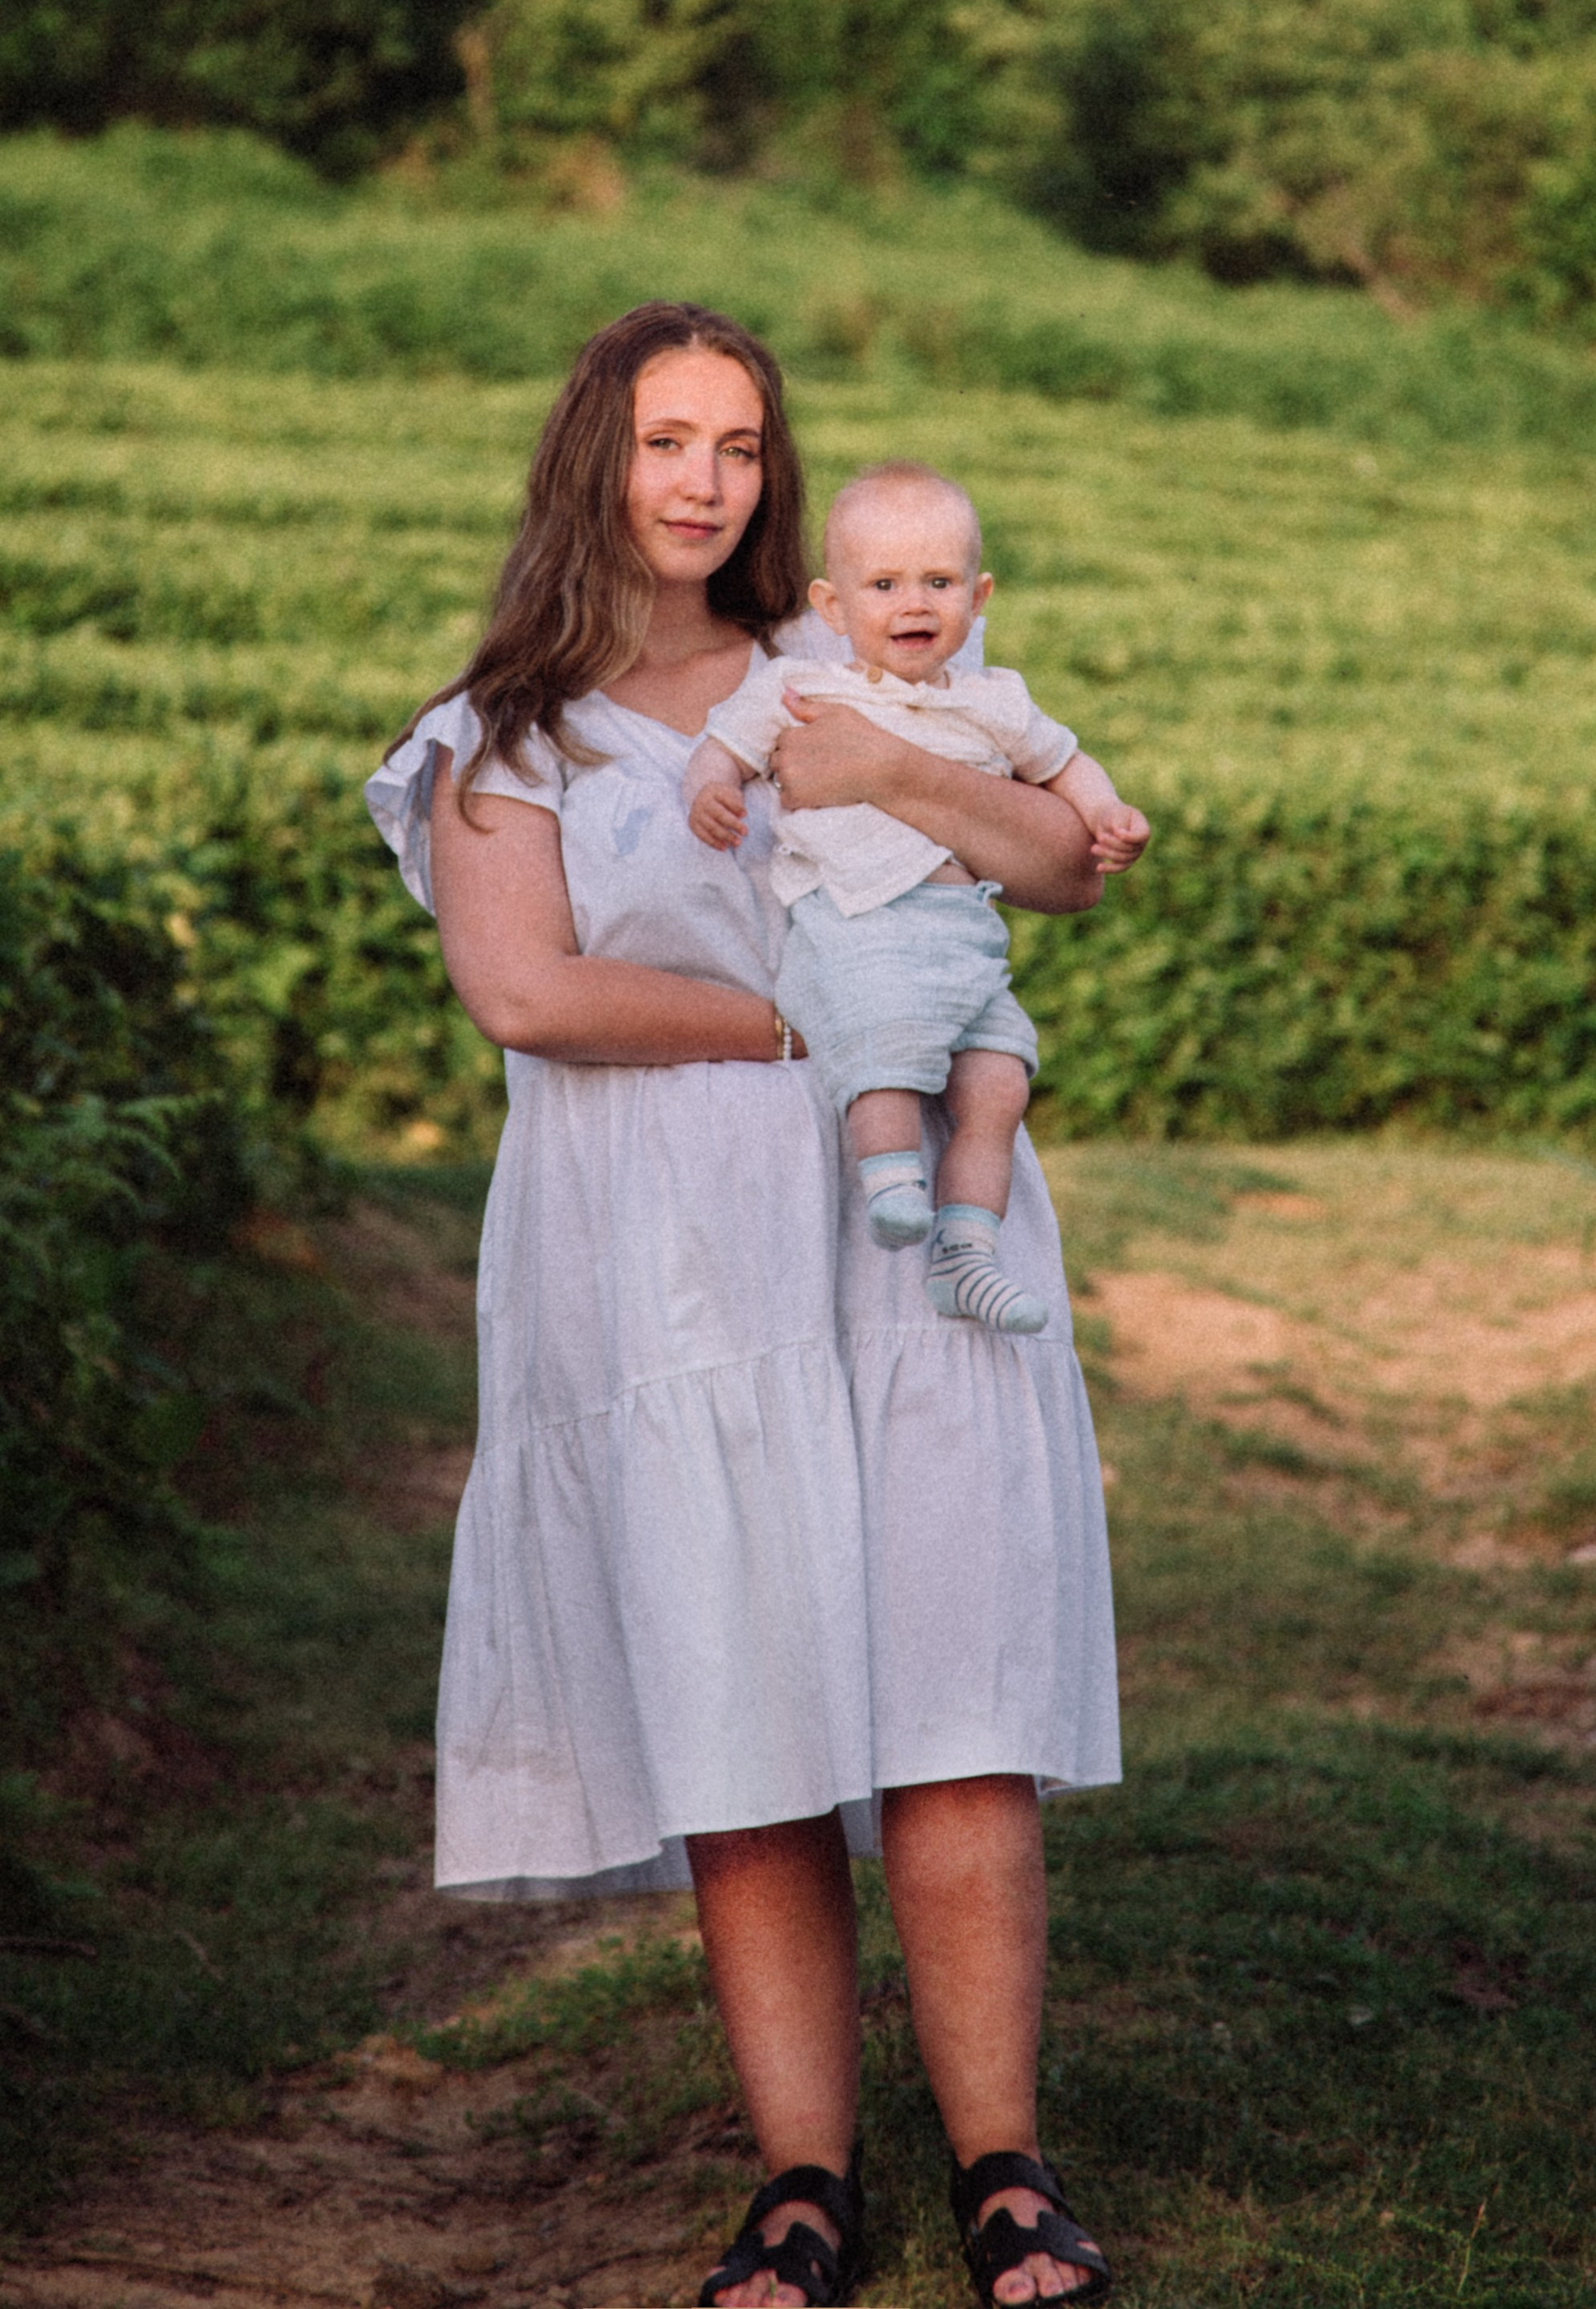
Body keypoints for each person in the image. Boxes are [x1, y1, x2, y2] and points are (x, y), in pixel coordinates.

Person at [365, 304, 1119, 2309]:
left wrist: (886, 762)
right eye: (664, 440)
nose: (703, 482)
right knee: (752, 1705)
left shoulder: (841, 657)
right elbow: (527, 993)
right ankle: (800, 2175)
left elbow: (1062, 867)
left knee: (955, 1690)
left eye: (738, 447)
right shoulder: (497, 735)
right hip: (670, 1276)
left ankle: (1002, 2168)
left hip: (899, 1251)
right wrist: (818, 1016)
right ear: (589, 461)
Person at [685, 459, 1149, 1337]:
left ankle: (966, 1252)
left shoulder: (992, 701)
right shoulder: (806, 692)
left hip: (963, 937)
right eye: (885, 584)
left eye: (938, 583)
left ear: (977, 598)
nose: (913, 604)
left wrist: (1106, 811)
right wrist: (708, 788)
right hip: (863, 918)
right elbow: (726, 746)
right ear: (832, 606)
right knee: (883, 1046)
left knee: (1000, 1084)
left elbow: (1062, 762)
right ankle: (891, 1176)